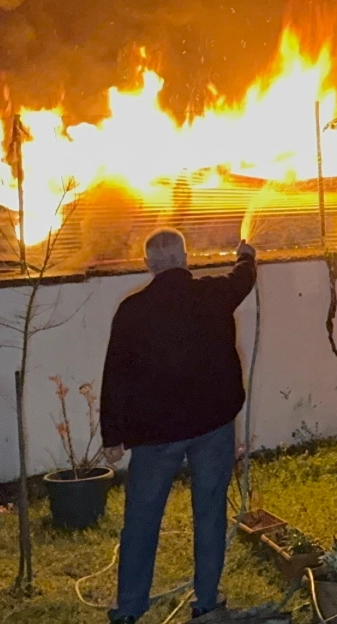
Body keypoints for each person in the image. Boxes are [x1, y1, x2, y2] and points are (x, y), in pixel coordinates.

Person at [100, 229, 257, 623]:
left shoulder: (132, 311)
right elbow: (243, 279)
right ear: (185, 259)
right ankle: (205, 602)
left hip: (155, 436)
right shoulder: (211, 293)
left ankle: (130, 607)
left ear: (149, 265)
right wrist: (246, 255)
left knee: (141, 519)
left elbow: (115, 375)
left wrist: (112, 436)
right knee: (209, 512)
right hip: (212, 427)